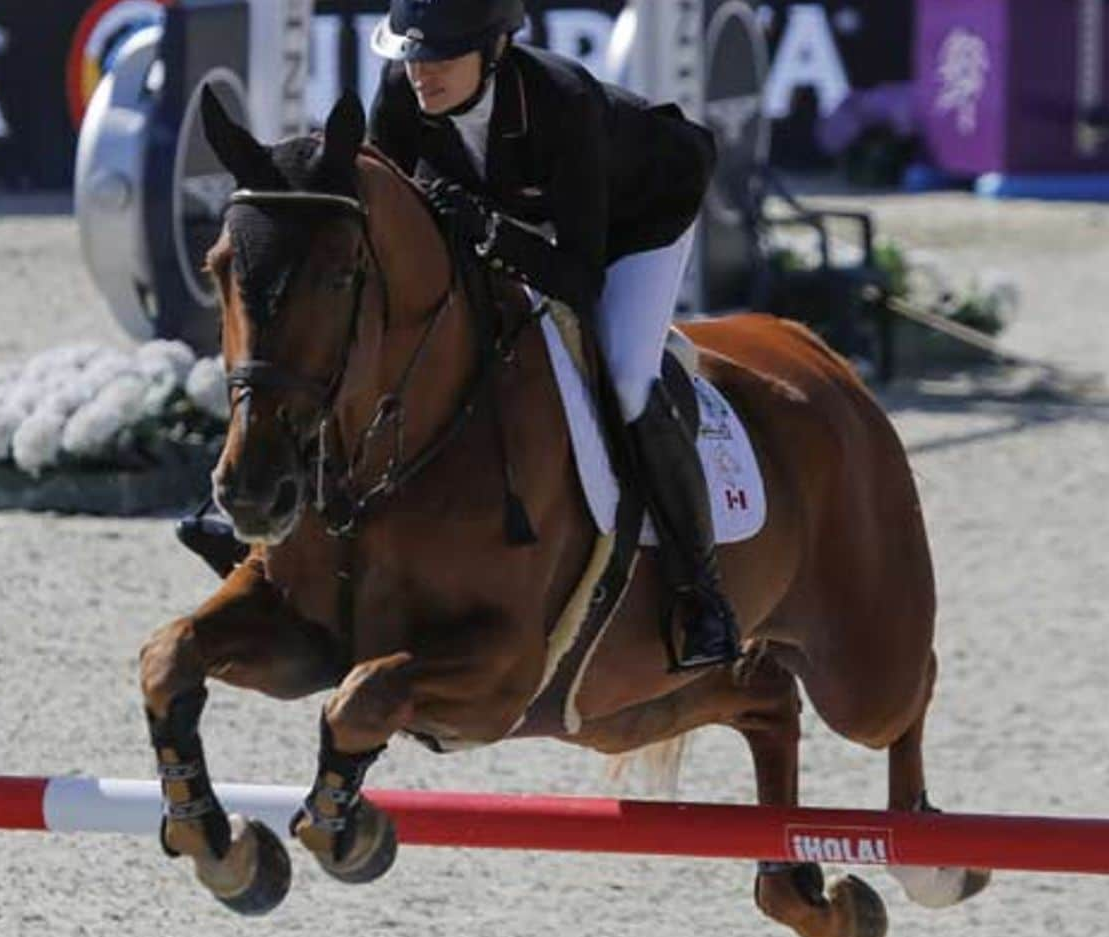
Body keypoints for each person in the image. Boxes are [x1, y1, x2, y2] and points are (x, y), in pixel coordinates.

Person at [179, 0, 740, 671]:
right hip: (510, 217)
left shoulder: (561, 104)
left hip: (633, 221)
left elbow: (580, 277)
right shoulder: (401, 93)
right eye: (414, 55)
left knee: (623, 376)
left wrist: (490, 231)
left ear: (495, 51)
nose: (423, 72)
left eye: (442, 55)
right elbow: (381, 226)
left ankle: (699, 593)